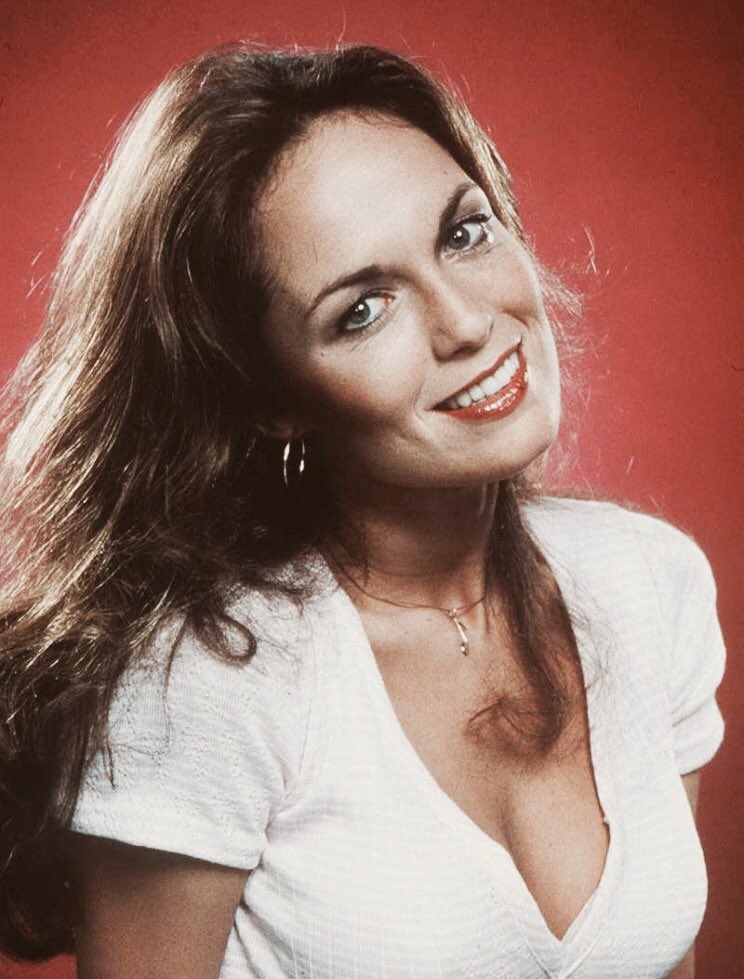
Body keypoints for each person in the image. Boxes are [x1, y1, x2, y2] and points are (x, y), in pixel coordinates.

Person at [0, 43, 726, 979]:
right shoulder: (205, 685)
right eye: (362, 309)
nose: (468, 321)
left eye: (464, 233)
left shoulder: (651, 584)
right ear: (273, 398)